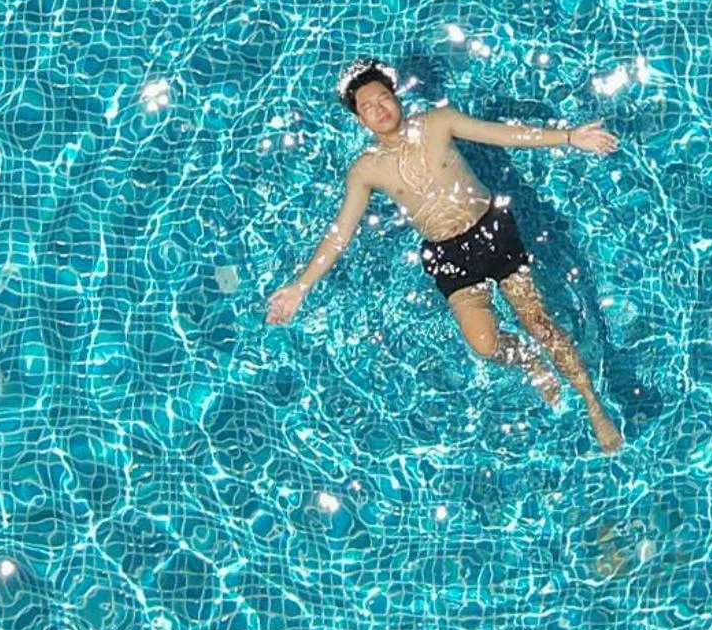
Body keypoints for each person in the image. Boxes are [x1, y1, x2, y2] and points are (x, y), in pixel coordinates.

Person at [266, 59, 625, 454]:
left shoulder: (437, 123)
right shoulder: (366, 170)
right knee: (484, 345)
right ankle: (528, 362)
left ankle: (593, 404)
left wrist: (570, 137)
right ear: (359, 119)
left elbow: (503, 135)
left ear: (397, 97)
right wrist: (300, 287)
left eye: (384, 98)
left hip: (492, 232)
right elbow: (339, 234)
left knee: (539, 323)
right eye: (368, 106)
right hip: (448, 256)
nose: (380, 109)